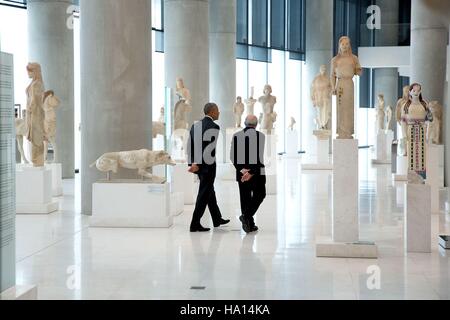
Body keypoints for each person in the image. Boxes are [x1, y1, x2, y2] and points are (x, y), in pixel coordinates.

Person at [187, 103, 230, 232]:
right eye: (217, 111)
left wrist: (193, 164)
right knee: (203, 194)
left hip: (199, 166)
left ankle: (217, 218)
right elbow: (207, 149)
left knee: (209, 190)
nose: (219, 113)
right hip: (207, 166)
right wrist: (199, 164)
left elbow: (191, 146)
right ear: (211, 112)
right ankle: (195, 223)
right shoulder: (214, 126)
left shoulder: (195, 125)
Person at [230, 115, 266, 233]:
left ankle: (248, 222)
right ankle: (247, 219)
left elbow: (232, 156)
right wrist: (251, 172)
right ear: (256, 124)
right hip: (257, 173)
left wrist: (242, 170)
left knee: (245, 198)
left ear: (245, 123)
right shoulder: (260, 136)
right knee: (260, 194)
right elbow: (258, 158)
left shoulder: (236, 136)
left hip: (241, 173)